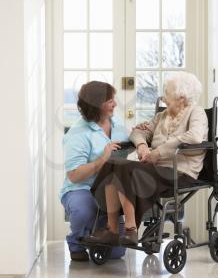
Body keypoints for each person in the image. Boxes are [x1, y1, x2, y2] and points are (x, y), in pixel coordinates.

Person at [86, 71, 209, 246]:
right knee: (113, 163)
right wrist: (142, 146)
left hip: (180, 172)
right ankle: (112, 229)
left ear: (182, 97)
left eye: (167, 92)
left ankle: (130, 229)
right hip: (156, 169)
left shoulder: (196, 113)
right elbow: (138, 131)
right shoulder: (162, 116)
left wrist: (158, 152)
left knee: (123, 167)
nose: (163, 97)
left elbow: (195, 137)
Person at [60, 81, 129, 261]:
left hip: (110, 187)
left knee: (117, 253)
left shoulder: (117, 122)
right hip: (82, 188)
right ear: (96, 105)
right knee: (85, 209)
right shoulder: (78, 133)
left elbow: (126, 147)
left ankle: (98, 232)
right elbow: (74, 176)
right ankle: (76, 243)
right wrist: (102, 159)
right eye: (109, 100)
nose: (115, 103)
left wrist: (141, 141)